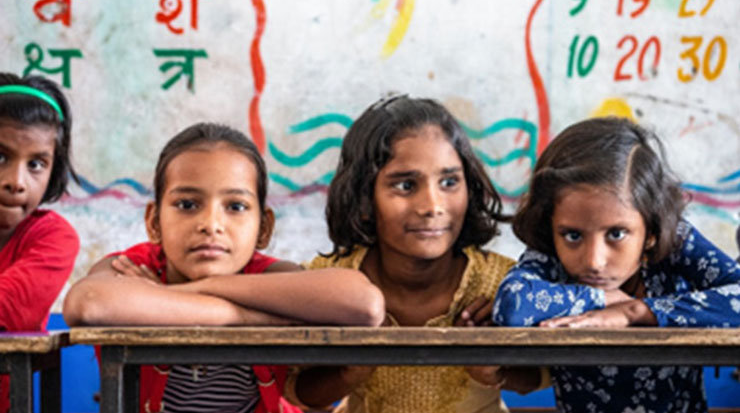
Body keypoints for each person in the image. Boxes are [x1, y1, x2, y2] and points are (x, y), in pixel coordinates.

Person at [63, 122, 385, 413]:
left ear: (263, 228)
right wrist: (243, 317)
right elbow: (88, 303)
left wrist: (181, 293)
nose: (211, 224)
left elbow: (365, 305)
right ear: (154, 222)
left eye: (236, 206)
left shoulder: (267, 277)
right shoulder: (134, 268)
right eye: (187, 205)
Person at [288, 95, 544, 413]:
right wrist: (350, 369)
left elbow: (545, 375)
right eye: (406, 186)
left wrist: (494, 367)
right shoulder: (331, 282)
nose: (432, 207)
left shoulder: (504, 286)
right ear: (365, 199)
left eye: (449, 182)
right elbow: (296, 389)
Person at [493, 117, 740, 413]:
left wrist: (636, 311)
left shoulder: (673, 241)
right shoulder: (550, 251)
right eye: (573, 235)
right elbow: (511, 306)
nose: (594, 261)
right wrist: (601, 298)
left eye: (616, 234)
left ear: (650, 229)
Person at [0, 72, 80, 413]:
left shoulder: (53, 238)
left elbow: (9, 309)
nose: (16, 182)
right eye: (0, 157)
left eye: (36, 164)